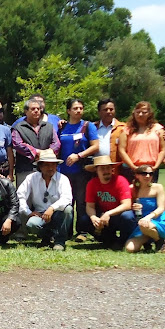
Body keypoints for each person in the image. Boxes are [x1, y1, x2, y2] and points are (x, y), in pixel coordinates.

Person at [58, 99, 99, 238]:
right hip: (63, 172)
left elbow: (95, 146)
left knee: (81, 202)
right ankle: (66, 231)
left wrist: (79, 155)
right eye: (75, 108)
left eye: (81, 108)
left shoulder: (88, 126)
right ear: (68, 111)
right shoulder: (62, 127)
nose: (79, 111)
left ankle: (82, 232)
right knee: (67, 201)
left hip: (82, 171)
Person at [16, 150, 73, 250]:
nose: (51, 168)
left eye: (53, 165)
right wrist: (29, 212)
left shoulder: (63, 179)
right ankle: (47, 237)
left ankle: (60, 241)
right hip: (40, 214)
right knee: (31, 224)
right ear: (40, 166)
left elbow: (67, 198)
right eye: (47, 165)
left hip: (57, 213)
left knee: (68, 210)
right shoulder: (31, 178)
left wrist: (52, 208)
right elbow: (20, 196)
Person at [82, 156, 136, 249]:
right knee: (85, 220)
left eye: (108, 168)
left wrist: (109, 213)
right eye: (102, 168)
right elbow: (90, 206)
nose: (105, 171)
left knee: (128, 217)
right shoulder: (92, 183)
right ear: (96, 170)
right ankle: (110, 240)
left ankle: (123, 240)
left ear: (112, 169)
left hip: (117, 215)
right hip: (102, 217)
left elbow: (127, 205)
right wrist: (93, 217)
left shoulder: (120, 181)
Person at [12, 98, 60, 186]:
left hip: (47, 169)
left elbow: (56, 143)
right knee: (25, 197)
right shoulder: (18, 127)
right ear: (26, 111)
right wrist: (37, 152)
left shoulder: (48, 126)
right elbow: (18, 144)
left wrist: (48, 153)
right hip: (26, 169)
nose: (36, 111)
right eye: (33, 109)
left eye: (38, 109)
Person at [124, 165, 165, 253]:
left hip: (158, 219)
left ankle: (160, 241)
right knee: (129, 249)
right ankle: (148, 240)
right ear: (137, 175)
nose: (148, 176)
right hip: (141, 222)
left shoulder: (158, 187)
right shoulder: (132, 189)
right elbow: (126, 205)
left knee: (144, 225)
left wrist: (148, 217)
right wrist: (133, 207)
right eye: (144, 174)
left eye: (150, 174)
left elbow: (161, 208)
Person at [118, 101, 165, 183]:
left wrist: (156, 166)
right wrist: (133, 167)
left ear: (149, 114)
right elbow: (121, 150)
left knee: (150, 194)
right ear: (134, 113)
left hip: (151, 169)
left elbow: (163, 149)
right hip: (130, 169)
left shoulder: (158, 128)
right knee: (131, 194)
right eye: (138, 112)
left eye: (144, 112)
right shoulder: (126, 130)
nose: (140, 115)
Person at [94, 98, 126, 164]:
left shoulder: (123, 128)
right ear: (99, 112)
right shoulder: (93, 128)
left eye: (111, 109)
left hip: (117, 168)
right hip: (97, 168)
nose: (108, 112)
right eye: (105, 110)